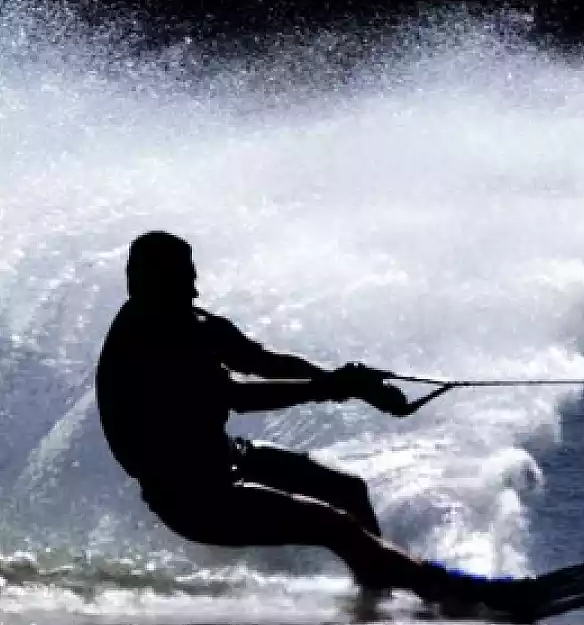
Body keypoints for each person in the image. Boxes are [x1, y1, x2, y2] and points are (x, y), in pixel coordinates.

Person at [95, 230, 458, 603]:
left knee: (347, 491)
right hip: (193, 499)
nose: (194, 292)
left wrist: (355, 385)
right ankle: (435, 587)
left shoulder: (191, 322)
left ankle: (380, 592)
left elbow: (263, 362)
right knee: (332, 525)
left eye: (193, 279)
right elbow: (237, 396)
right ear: (149, 282)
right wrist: (334, 388)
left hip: (225, 457)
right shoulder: (142, 344)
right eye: (184, 281)